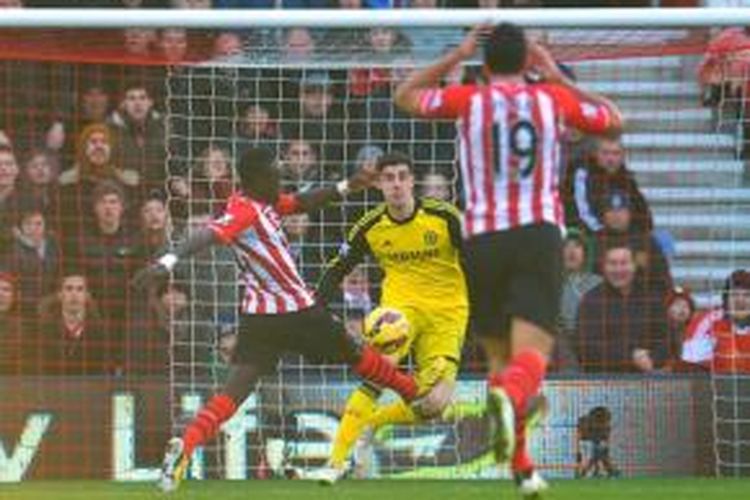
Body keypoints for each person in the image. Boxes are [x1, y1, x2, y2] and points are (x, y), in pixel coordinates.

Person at [393, 22, 622, 495]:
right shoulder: (551, 101)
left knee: (501, 358)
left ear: (484, 63)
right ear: (526, 60)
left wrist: (455, 55)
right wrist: (556, 75)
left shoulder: (467, 101)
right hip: (536, 235)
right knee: (532, 356)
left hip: (482, 240)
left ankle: (521, 465)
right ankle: (509, 400)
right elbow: (613, 118)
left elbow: (405, 95)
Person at [132, 147, 434, 492]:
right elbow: (206, 236)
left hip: (258, 319)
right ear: (256, 180)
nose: (279, 176)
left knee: (235, 390)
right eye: (274, 172)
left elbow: (302, 202)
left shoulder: (266, 202)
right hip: (295, 310)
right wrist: (166, 262)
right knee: (357, 355)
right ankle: (414, 393)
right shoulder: (244, 209)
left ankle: (184, 447)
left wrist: (349, 185)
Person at [310, 152, 468, 484]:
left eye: (402, 177)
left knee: (435, 404)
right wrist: (315, 309)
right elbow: (336, 269)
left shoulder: (445, 217)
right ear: (380, 184)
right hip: (399, 312)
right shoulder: (369, 226)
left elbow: (477, 260)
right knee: (375, 375)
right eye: (389, 178)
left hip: (447, 312)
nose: (396, 184)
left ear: (412, 181)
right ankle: (335, 461)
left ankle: (372, 423)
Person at [576, 242, 669, 373]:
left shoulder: (651, 298)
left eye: (624, 263)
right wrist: (630, 356)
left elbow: (666, 340)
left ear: (634, 266)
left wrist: (651, 358)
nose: (618, 269)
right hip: (603, 380)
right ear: (604, 267)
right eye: (612, 263)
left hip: (646, 379)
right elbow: (586, 346)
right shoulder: (591, 301)